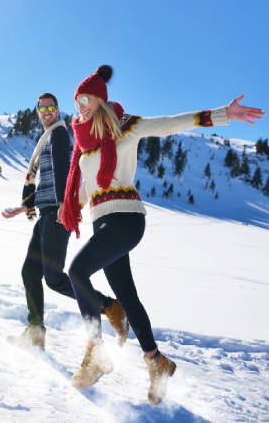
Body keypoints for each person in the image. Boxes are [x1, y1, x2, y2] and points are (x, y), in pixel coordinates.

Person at [59, 65, 264, 405]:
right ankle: (157, 362)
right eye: (76, 99)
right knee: (126, 295)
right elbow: (87, 190)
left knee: (77, 272)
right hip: (102, 222)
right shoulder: (84, 146)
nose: (78, 104)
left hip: (125, 220)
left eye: (84, 98)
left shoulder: (125, 127)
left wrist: (222, 114)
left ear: (99, 99)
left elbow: (172, 122)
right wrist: (63, 208)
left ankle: (96, 353)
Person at [2, 93, 129, 351]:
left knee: (55, 279)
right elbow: (48, 182)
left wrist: (63, 204)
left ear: (57, 111)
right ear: (38, 111)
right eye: (42, 108)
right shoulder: (48, 137)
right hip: (47, 214)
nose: (46, 111)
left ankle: (111, 307)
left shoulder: (59, 134)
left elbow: (65, 172)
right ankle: (35, 331)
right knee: (30, 273)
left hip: (57, 215)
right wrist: (25, 206)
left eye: (51, 107)